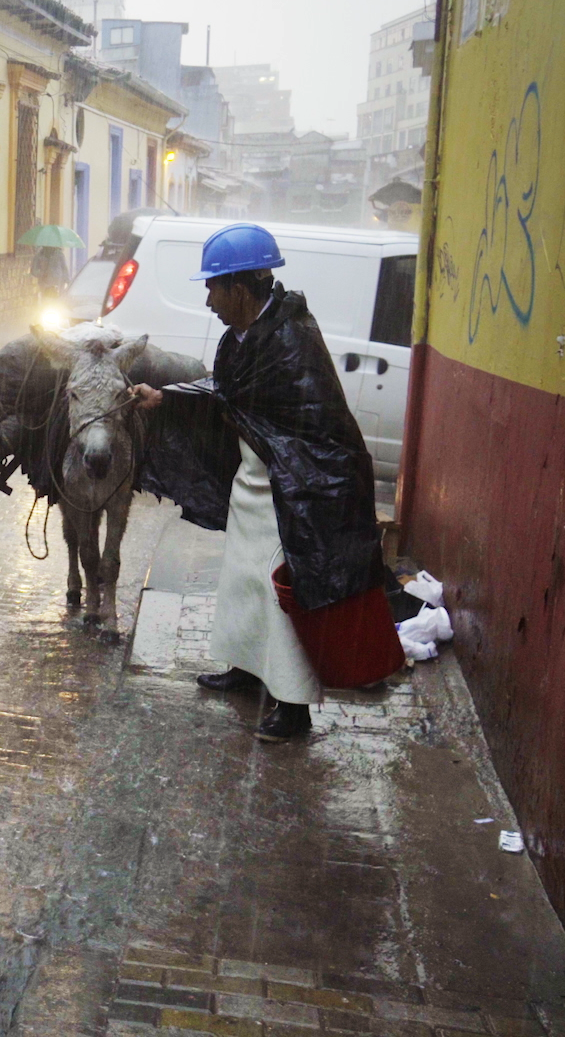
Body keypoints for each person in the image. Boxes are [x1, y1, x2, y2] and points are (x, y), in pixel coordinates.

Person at [126, 223, 386, 743]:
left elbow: (301, 425)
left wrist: (180, 399)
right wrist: (165, 396)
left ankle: (294, 707)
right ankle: (246, 667)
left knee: (279, 594)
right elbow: (225, 392)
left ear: (240, 289)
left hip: (295, 488)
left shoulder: (291, 340)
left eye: (213, 288)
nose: (208, 300)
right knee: (243, 581)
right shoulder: (243, 336)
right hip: (256, 481)